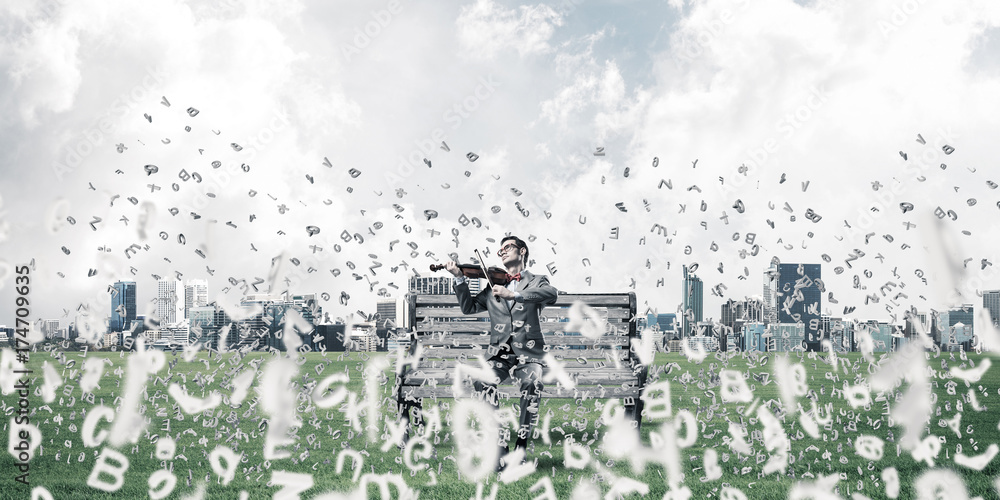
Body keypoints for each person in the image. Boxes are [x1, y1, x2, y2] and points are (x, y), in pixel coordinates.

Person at [444, 235, 558, 468]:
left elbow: (551, 294)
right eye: (500, 250)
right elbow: (468, 308)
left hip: (528, 355)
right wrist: (459, 279)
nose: (503, 252)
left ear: (522, 251)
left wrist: (514, 295)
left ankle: (521, 446)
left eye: (507, 247)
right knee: (482, 382)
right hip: (501, 356)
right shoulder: (492, 286)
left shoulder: (537, 281)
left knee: (532, 383)